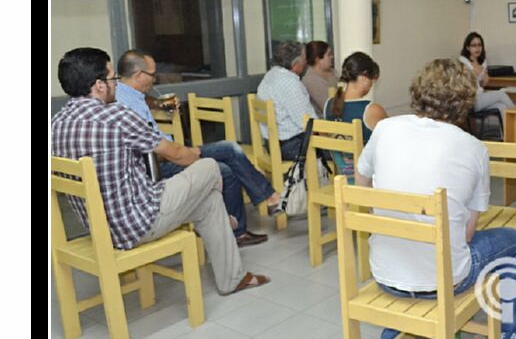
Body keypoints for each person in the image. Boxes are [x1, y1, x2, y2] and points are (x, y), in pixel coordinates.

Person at [355, 58, 516, 339]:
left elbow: (361, 186)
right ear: (464, 102)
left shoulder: (385, 129)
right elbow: (467, 234)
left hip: (383, 274)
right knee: (510, 239)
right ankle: (510, 336)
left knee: (402, 242)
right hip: (443, 282)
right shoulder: (474, 148)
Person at [51, 48, 270, 295]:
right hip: (136, 224)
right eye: (113, 78)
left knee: (210, 201)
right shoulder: (116, 115)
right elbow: (175, 153)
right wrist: (195, 154)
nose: (116, 84)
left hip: (100, 228)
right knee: (209, 167)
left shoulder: (57, 123)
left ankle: (233, 277)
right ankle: (229, 222)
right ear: (99, 85)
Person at [114, 49, 278, 247]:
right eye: (152, 74)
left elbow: (143, 101)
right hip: (159, 165)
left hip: (169, 152)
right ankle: (238, 229)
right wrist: (188, 153)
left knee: (230, 148)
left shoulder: (125, 91)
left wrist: (158, 104)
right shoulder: (125, 107)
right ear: (139, 75)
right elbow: (154, 155)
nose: (155, 79)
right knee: (224, 170)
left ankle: (268, 198)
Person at [323, 52, 387, 182]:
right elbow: (392, 142)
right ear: (364, 77)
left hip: (341, 181)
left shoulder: (328, 105)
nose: (371, 85)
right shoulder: (371, 110)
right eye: (372, 80)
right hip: (366, 184)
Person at [256, 41, 318, 161]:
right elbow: (308, 123)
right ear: (295, 65)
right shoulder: (290, 83)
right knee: (340, 149)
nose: (307, 63)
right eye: (305, 59)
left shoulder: (270, 75)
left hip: (272, 143)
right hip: (290, 146)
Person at [458, 32, 515, 114]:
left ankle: (511, 126)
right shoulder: (463, 60)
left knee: (502, 107)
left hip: (480, 97)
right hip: (470, 100)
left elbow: (483, 85)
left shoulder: (482, 61)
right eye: (474, 45)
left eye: (479, 45)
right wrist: (478, 71)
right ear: (467, 47)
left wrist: (485, 77)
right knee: (501, 94)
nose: (477, 48)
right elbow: (469, 79)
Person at [301, 41, 339, 118]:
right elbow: (329, 108)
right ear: (317, 59)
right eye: (328, 55)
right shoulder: (310, 80)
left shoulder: (333, 72)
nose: (332, 57)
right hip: (324, 124)